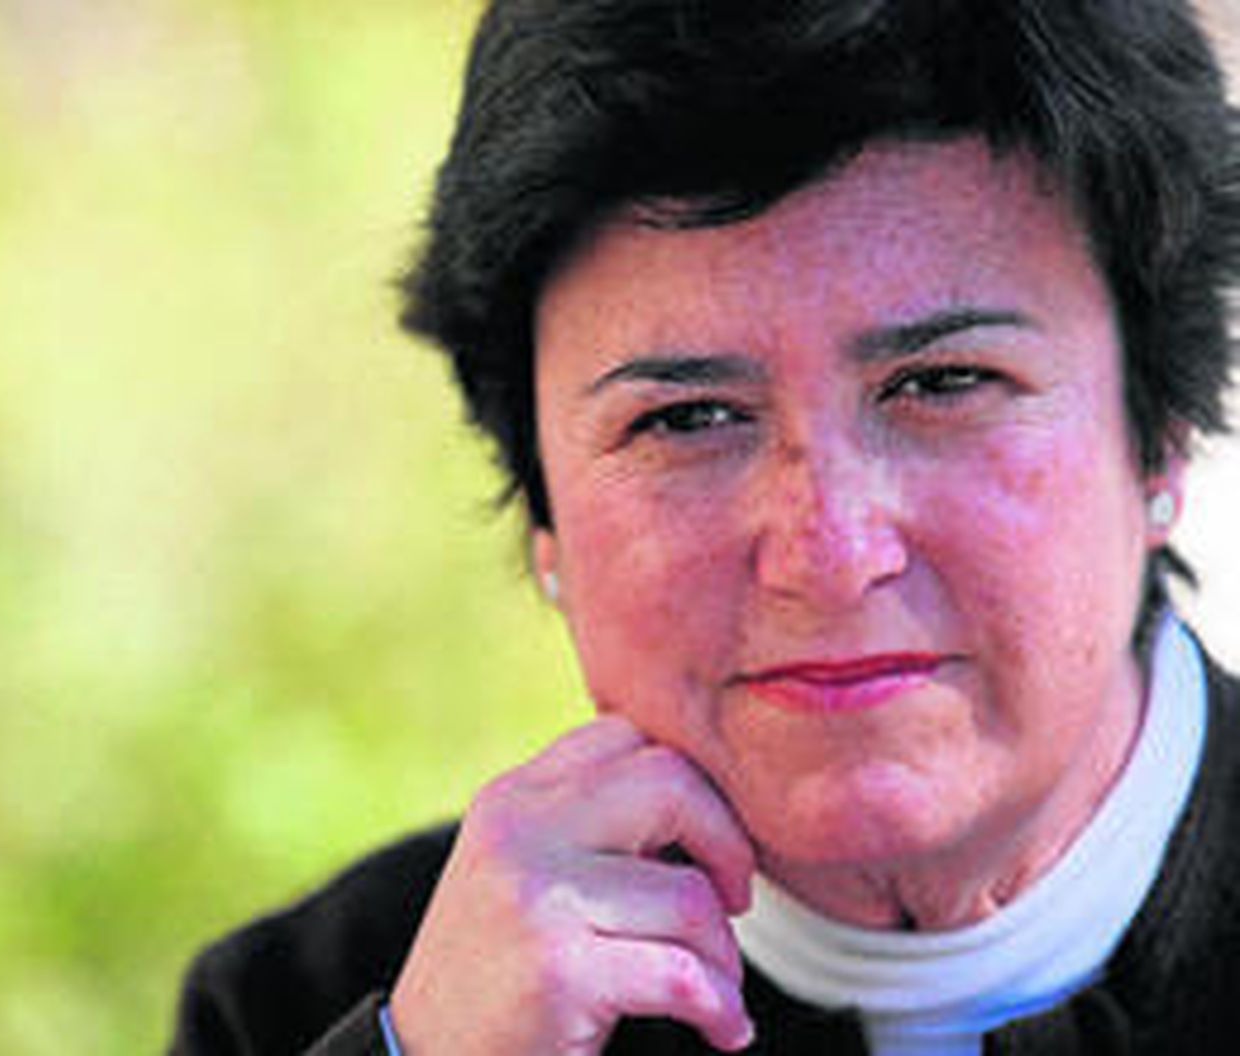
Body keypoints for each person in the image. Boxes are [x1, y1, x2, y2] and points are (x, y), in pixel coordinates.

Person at [172, 0, 1240, 1052]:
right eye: (687, 419)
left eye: (943, 382)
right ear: (546, 521)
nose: (830, 555)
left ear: (1159, 437)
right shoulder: (314, 1009)